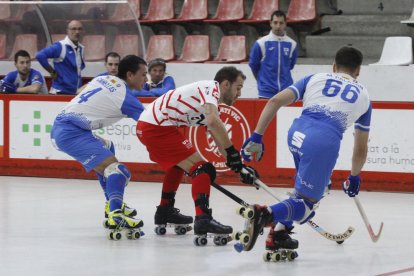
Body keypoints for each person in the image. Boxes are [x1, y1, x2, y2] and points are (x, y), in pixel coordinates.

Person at [240, 46, 371, 252]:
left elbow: (274, 100)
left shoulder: (315, 77)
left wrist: (257, 136)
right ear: (358, 71)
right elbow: (361, 148)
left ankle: (280, 234)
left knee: (305, 189)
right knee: (307, 206)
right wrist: (354, 177)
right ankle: (265, 215)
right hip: (322, 141)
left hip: (296, 133)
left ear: (334, 67)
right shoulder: (363, 95)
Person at [136, 66, 249, 239]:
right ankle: (203, 218)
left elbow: (218, 141)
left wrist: (239, 167)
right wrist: (232, 151)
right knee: (203, 169)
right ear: (226, 84)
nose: (239, 94)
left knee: (178, 165)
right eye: (238, 88)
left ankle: (165, 211)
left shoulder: (209, 104)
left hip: (152, 125)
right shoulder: (211, 88)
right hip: (156, 126)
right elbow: (213, 122)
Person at [50, 55, 147, 234]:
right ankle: (116, 215)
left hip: (63, 125)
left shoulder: (103, 78)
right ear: (130, 75)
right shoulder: (126, 97)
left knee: (108, 147)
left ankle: (112, 203)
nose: (146, 79)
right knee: (118, 171)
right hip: (71, 133)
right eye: (143, 74)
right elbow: (150, 122)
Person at [249, 10, 297, 99]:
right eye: (275, 22)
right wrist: (261, 81)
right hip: (266, 92)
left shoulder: (292, 44)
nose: (278, 26)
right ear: (270, 23)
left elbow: (290, 65)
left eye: (281, 23)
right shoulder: (261, 43)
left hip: (286, 90)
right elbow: (253, 65)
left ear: (285, 24)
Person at [36, 20, 85, 95]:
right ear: (67, 31)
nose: (77, 32)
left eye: (79, 29)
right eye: (74, 29)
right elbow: (40, 55)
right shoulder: (61, 46)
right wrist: (52, 72)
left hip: (75, 93)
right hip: (60, 92)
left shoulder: (81, 48)